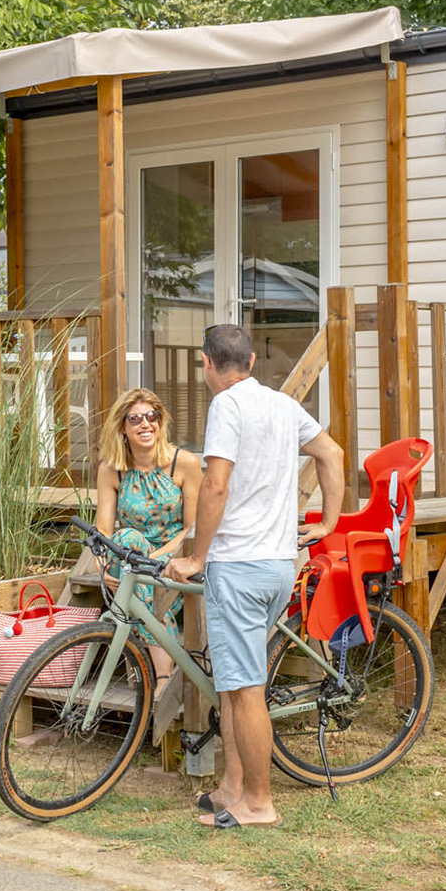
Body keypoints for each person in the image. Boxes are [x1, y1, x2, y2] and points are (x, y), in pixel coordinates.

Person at [165, 324, 344, 830]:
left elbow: (215, 485)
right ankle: (232, 787)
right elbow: (332, 454)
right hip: (277, 565)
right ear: (249, 361)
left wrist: (198, 557)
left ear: (207, 363)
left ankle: (259, 804)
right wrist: (328, 523)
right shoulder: (282, 405)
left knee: (245, 688)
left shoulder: (227, 406)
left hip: (238, 566)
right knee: (233, 681)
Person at [94, 387, 201, 680]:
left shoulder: (185, 463)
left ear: (160, 421)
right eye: (135, 418)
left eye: (152, 416)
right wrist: (101, 564)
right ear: (122, 427)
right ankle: (162, 676)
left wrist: (155, 558)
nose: (145, 424)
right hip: (131, 559)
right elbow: (104, 530)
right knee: (127, 538)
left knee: (139, 577)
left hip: (174, 559)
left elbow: (192, 528)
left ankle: (155, 673)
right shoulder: (111, 470)